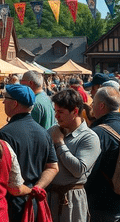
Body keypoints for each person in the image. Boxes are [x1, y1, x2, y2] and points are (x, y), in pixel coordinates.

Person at [0, 83, 58, 222]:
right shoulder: (44, 133)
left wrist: (27, 190)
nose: (3, 102)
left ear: (15, 104)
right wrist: (37, 188)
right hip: (35, 202)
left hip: (13, 206)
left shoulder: (4, 134)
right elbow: (53, 167)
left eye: (6, 98)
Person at [47, 89, 100, 222]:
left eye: (60, 112)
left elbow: (78, 170)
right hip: (50, 198)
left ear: (75, 111)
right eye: (55, 111)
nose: (56, 116)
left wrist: (59, 143)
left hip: (72, 199)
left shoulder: (89, 137)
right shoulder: (53, 131)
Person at [85, 86, 120, 221]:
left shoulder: (97, 133)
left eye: (94, 103)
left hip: (103, 206)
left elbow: (89, 172)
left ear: (101, 106)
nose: (92, 106)